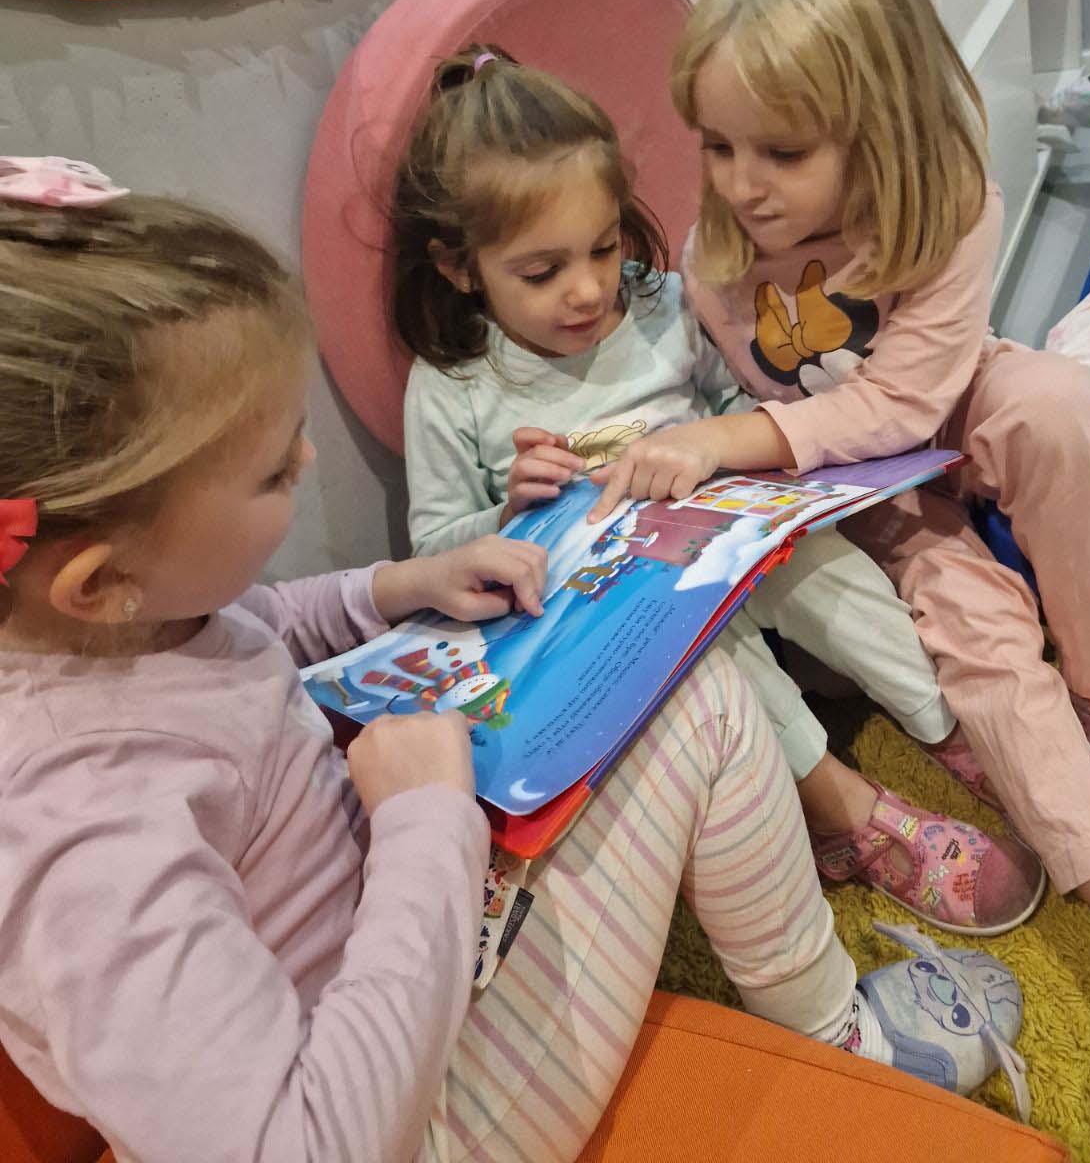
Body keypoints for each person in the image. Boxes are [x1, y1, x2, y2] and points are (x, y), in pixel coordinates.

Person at [0, 156, 1029, 1161]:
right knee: (710, 704)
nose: (307, 462)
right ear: (96, 581)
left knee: (666, 670)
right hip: (415, 1109)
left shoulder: (121, 619)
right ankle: (839, 1033)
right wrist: (425, 823)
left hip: (394, 942)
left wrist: (401, 585)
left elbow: (250, 622)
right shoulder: (83, 842)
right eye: (273, 472)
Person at [588, 0, 1090, 1079]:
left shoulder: (951, 200)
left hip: (928, 407)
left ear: (880, 128)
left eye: (781, 152)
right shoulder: (721, 246)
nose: (741, 184)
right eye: (718, 146)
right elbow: (796, 422)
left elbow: (910, 398)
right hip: (850, 487)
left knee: (1057, 400)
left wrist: (732, 433)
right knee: (977, 622)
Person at [391, 52, 1043, 936]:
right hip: (608, 608)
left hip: (728, 529)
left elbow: (739, 403)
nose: (587, 288)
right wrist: (505, 511)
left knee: (834, 578)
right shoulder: (455, 384)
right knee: (709, 655)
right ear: (460, 268)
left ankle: (953, 731)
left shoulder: (659, 304)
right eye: (541, 273)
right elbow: (432, 548)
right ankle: (843, 814)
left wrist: (725, 459)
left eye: (604, 246)